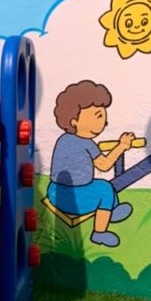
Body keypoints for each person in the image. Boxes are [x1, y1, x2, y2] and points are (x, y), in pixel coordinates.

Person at [46, 80, 134, 248]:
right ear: (74, 121)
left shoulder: (63, 139)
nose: (104, 122)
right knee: (105, 189)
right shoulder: (86, 143)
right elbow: (104, 165)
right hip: (72, 199)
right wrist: (122, 146)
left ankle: (111, 212)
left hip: (54, 192)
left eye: (104, 117)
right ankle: (99, 232)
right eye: (98, 116)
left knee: (100, 185)